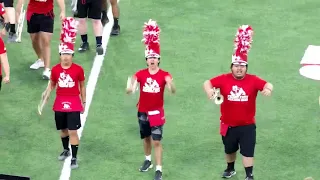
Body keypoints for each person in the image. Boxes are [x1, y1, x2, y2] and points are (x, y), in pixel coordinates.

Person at [202, 25, 274, 180]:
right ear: (232, 67)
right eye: (236, 66)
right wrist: (209, 90)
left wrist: (268, 89)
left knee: (248, 150)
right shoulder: (223, 78)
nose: (239, 69)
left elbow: (268, 84)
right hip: (228, 124)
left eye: (242, 66)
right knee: (229, 150)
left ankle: (249, 175)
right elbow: (207, 82)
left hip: (247, 125)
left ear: (246, 67)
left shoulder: (253, 80)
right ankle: (230, 169)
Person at [126, 19, 176, 180]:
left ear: (158, 59)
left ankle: (159, 169)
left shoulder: (164, 74)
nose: (152, 60)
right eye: (150, 57)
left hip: (156, 113)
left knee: (156, 141)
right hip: (142, 111)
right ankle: (148, 160)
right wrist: (130, 88)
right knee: (146, 138)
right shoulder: (140, 74)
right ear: (146, 59)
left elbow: (172, 90)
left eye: (154, 57)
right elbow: (132, 86)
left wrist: (171, 85)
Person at [41, 17, 86, 169]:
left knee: (73, 131)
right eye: (63, 54)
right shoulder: (55, 69)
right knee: (63, 130)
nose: (66, 57)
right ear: (60, 54)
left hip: (73, 102)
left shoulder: (78, 69)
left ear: (72, 55)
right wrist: (46, 95)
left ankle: (74, 157)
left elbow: (82, 85)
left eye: (68, 54)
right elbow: (52, 83)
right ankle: (66, 150)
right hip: (59, 103)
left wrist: (84, 102)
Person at [16, 0, 65, 80]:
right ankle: (41, 59)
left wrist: (62, 11)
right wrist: (17, 14)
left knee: (46, 41)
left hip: (47, 14)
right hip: (32, 14)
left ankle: (47, 69)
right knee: (34, 40)